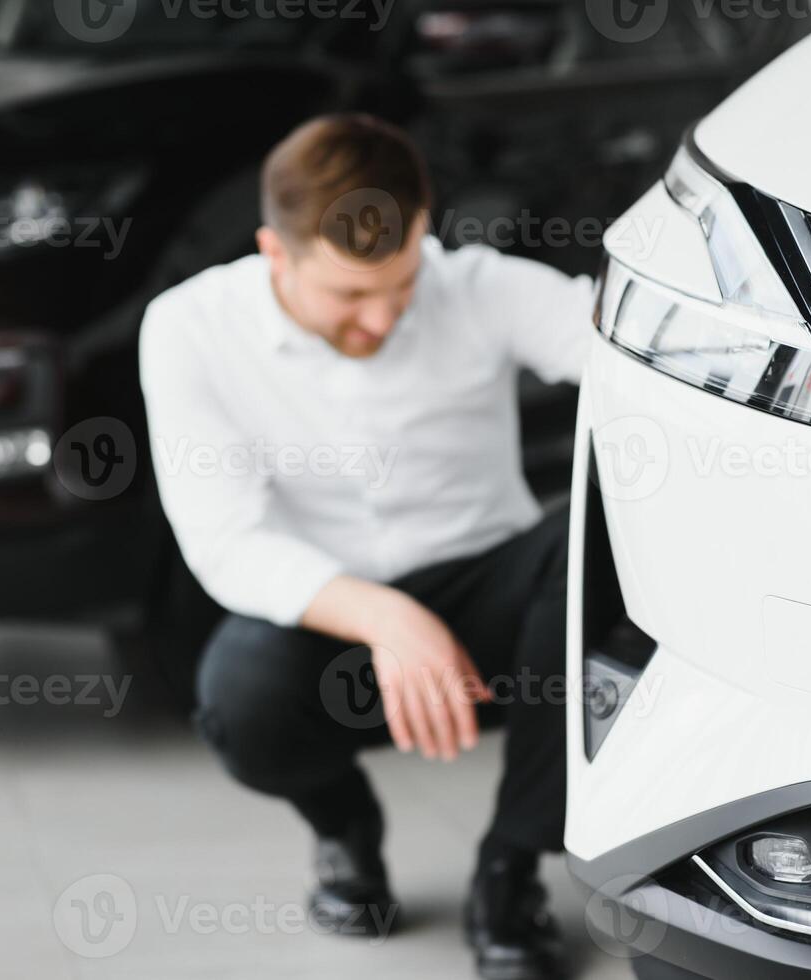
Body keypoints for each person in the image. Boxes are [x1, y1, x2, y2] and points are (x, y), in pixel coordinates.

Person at [139, 113, 593, 980]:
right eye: (349, 295)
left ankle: (511, 866)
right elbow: (227, 540)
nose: (382, 316)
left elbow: (636, 351)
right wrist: (386, 621)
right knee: (238, 696)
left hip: (497, 614)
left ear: (423, 230)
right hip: (332, 621)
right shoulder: (188, 328)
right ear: (277, 253)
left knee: (588, 548)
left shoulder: (483, 288)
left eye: (403, 280)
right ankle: (345, 828)